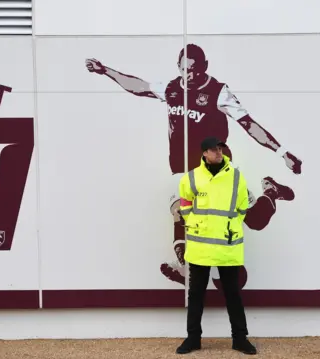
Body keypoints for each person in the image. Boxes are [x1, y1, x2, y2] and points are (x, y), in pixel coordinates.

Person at [85, 44, 302, 288]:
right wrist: (106, 71)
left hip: (216, 170)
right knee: (179, 210)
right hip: (183, 171)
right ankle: (185, 266)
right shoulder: (171, 88)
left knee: (256, 221)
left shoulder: (219, 93)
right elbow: (138, 86)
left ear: (204, 67)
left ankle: (271, 190)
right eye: (184, 70)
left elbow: (249, 124)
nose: (188, 76)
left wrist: (282, 152)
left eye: (194, 71)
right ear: (178, 67)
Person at [175, 136, 256, 355]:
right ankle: (193, 339)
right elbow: (184, 205)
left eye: (220, 148)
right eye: (213, 149)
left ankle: (240, 339)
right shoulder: (190, 178)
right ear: (204, 154)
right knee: (195, 295)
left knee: (232, 294)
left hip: (227, 245)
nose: (218, 152)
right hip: (200, 246)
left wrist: (228, 226)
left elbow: (242, 208)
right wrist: (194, 223)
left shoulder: (236, 177)